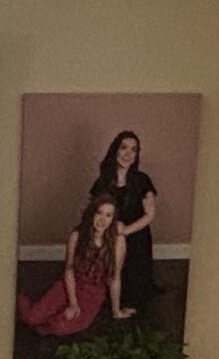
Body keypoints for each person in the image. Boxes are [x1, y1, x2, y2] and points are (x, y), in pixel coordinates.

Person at [18, 195, 124, 341]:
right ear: (91, 213)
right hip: (70, 284)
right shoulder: (77, 236)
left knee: (60, 326)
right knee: (31, 318)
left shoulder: (117, 240)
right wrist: (73, 303)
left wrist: (116, 311)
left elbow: (115, 277)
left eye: (108, 215)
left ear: (113, 218)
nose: (103, 219)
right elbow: (69, 270)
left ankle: (51, 320)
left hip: (93, 293)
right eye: (99, 213)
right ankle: (23, 296)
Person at [90, 130, 160, 311]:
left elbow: (150, 214)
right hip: (110, 234)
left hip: (136, 234)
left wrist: (125, 231)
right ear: (115, 150)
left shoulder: (142, 180)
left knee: (134, 291)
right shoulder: (103, 182)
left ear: (137, 155)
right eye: (124, 148)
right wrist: (110, 232)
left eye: (133, 150)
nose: (128, 154)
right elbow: (95, 214)